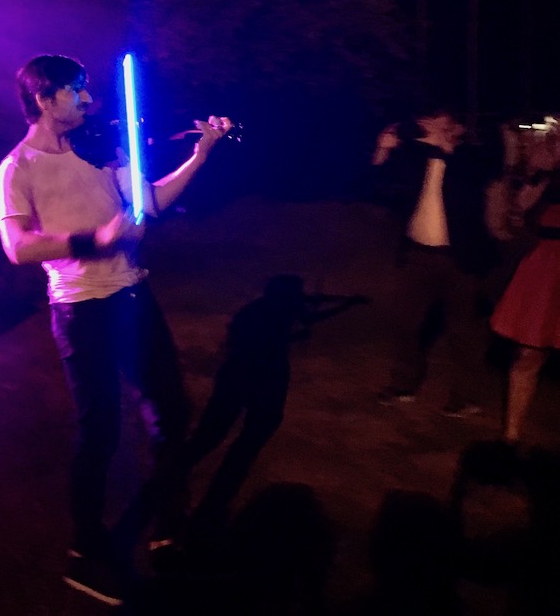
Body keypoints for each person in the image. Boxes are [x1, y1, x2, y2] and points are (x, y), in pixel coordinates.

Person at [0, 53, 230, 606]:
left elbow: (150, 203)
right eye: (76, 90)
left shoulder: (100, 151)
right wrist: (93, 240)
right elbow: (17, 247)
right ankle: (85, 551)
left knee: (170, 413)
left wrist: (200, 155)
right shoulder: (17, 169)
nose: (89, 99)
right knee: (100, 431)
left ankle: (169, 529)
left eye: (86, 88)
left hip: (133, 298)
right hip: (81, 311)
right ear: (43, 99)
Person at [181, 276, 368, 540]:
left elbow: (310, 304)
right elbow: (309, 318)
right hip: (265, 377)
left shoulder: (256, 309)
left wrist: (344, 300)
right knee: (247, 441)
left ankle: (173, 479)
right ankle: (211, 503)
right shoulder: (281, 312)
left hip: (235, 374)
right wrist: (346, 306)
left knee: (211, 434)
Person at [371, 103, 501, 416]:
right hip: (418, 255)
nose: (431, 128)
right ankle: (404, 384)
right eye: (428, 123)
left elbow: (476, 181)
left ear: (457, 128)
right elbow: (376, 185)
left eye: (440, 123)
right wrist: (383, 151)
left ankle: (465, 396)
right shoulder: (415, 155)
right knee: (404, 321)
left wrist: (446, 150)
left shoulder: (472, 157)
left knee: (462, 330)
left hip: (459, 258)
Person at [488, 122, 560, 444]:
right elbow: (514, 212)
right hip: (546, 265)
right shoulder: (544, 166)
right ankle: (511, 436)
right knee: (529, 354)